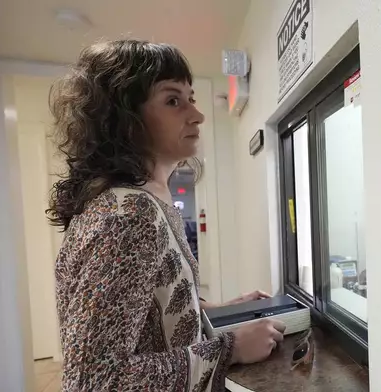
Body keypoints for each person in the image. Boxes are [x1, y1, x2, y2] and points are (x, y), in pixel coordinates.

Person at [46, 40, 285, 392]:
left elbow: (150, 310)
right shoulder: (127, 215)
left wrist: (217, 310)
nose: (197, 114)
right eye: (173, 100)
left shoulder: (151, 199)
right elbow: (95, 382)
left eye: (191, 98)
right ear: (124, 119)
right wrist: (228, 348)